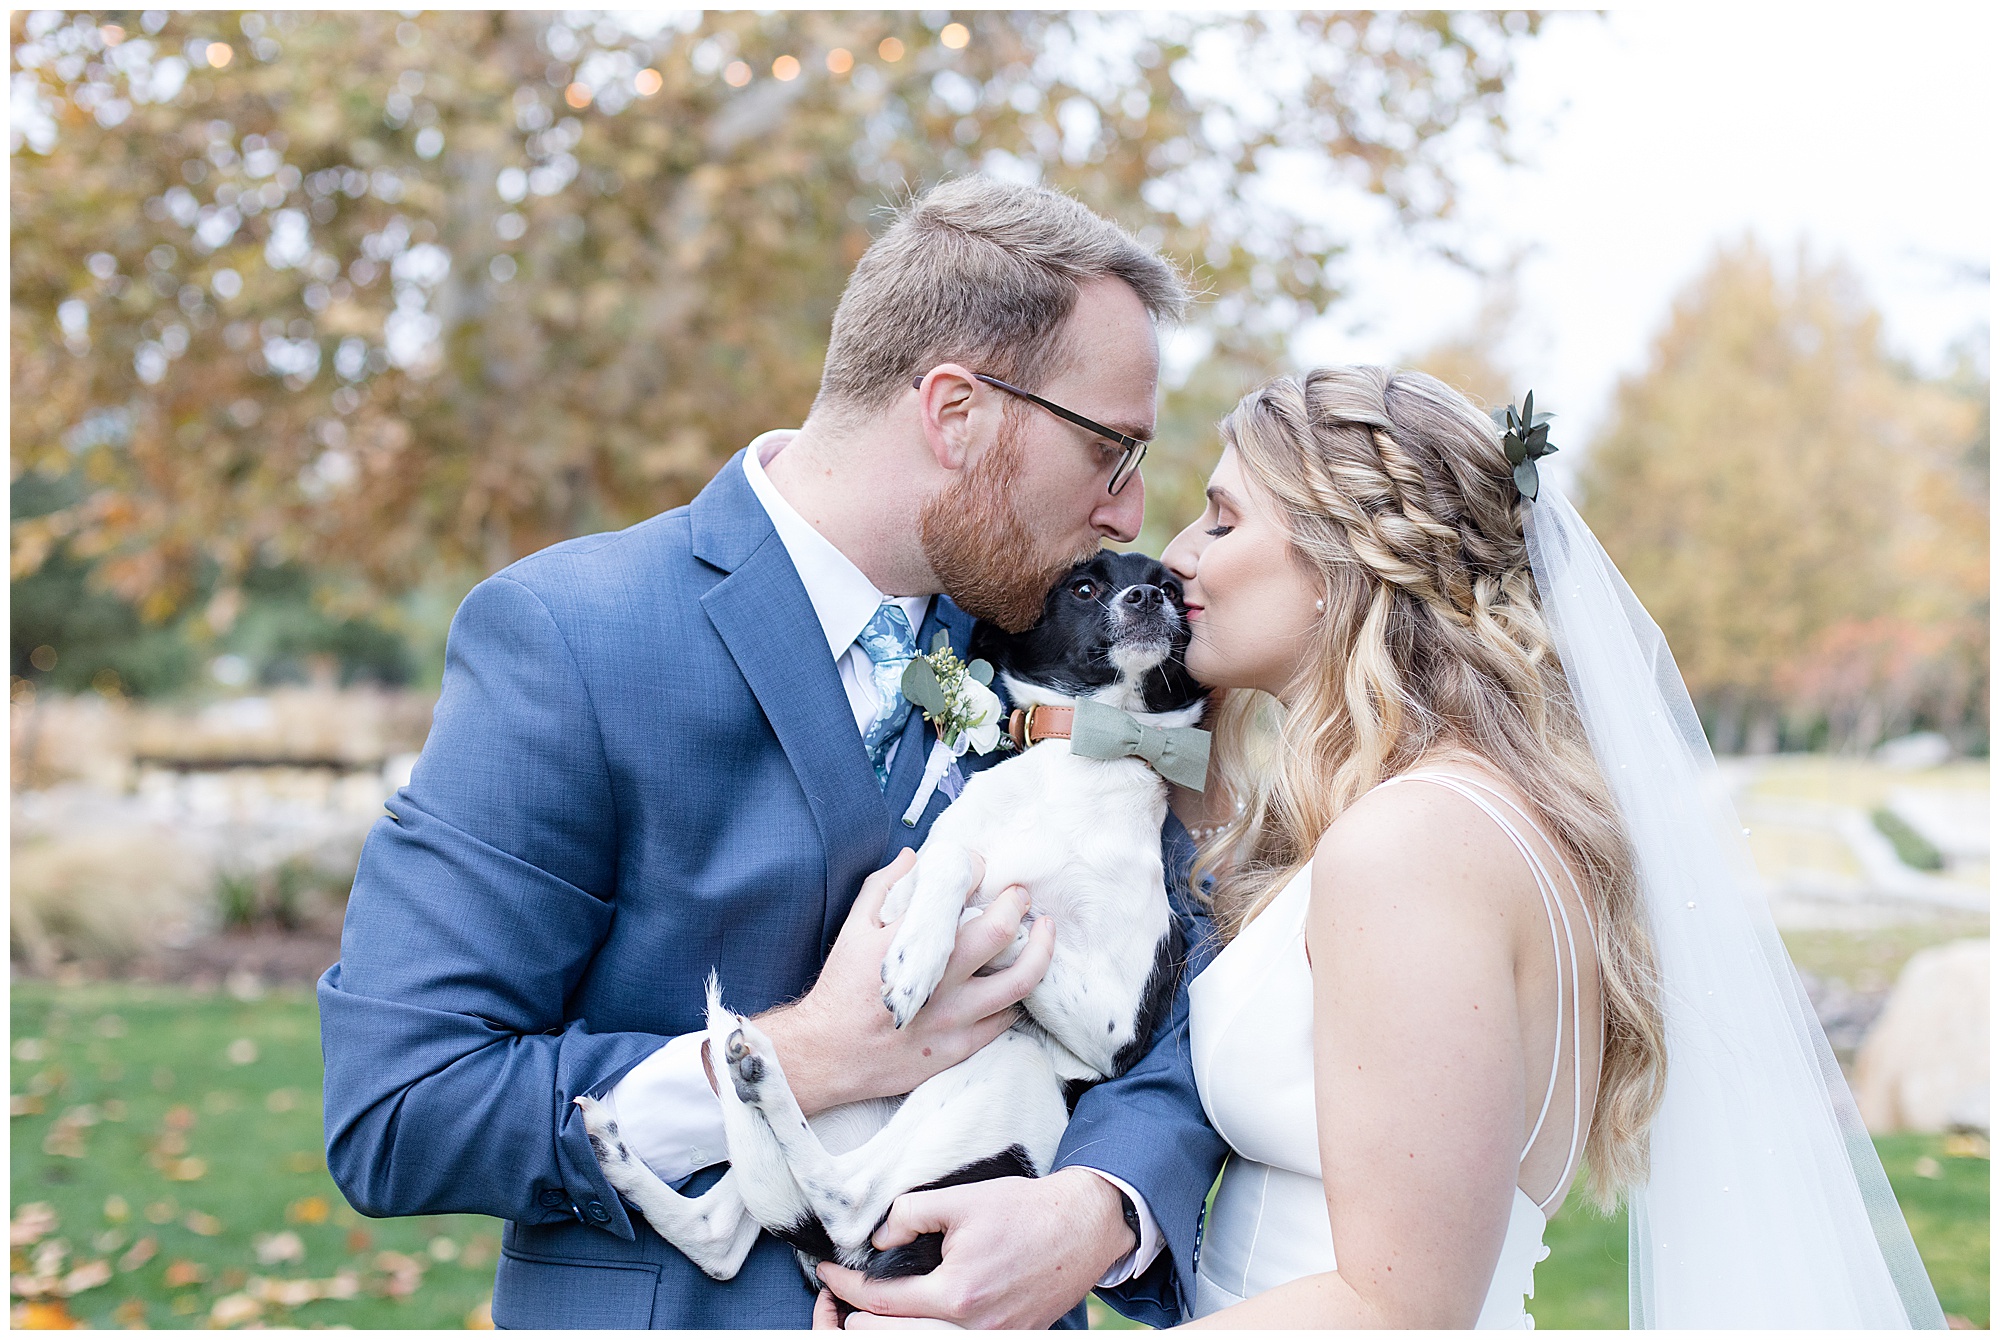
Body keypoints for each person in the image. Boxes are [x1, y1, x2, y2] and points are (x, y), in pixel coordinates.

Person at [317, 177, 1227, 1329]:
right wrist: (800, 1057)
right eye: (1111, 452)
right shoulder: (567, 634)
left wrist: (1096, 1205)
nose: (1124, 510)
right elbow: (401, 1107)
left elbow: (1187, 999)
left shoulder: (1054, 656)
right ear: (957, 412)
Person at [1141, 367, 1941, 1327]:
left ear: (1343, 557)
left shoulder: (1411, 846)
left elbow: (1397, 1307)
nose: (1178, 556)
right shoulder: (1480, 817)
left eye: (1222, 521)